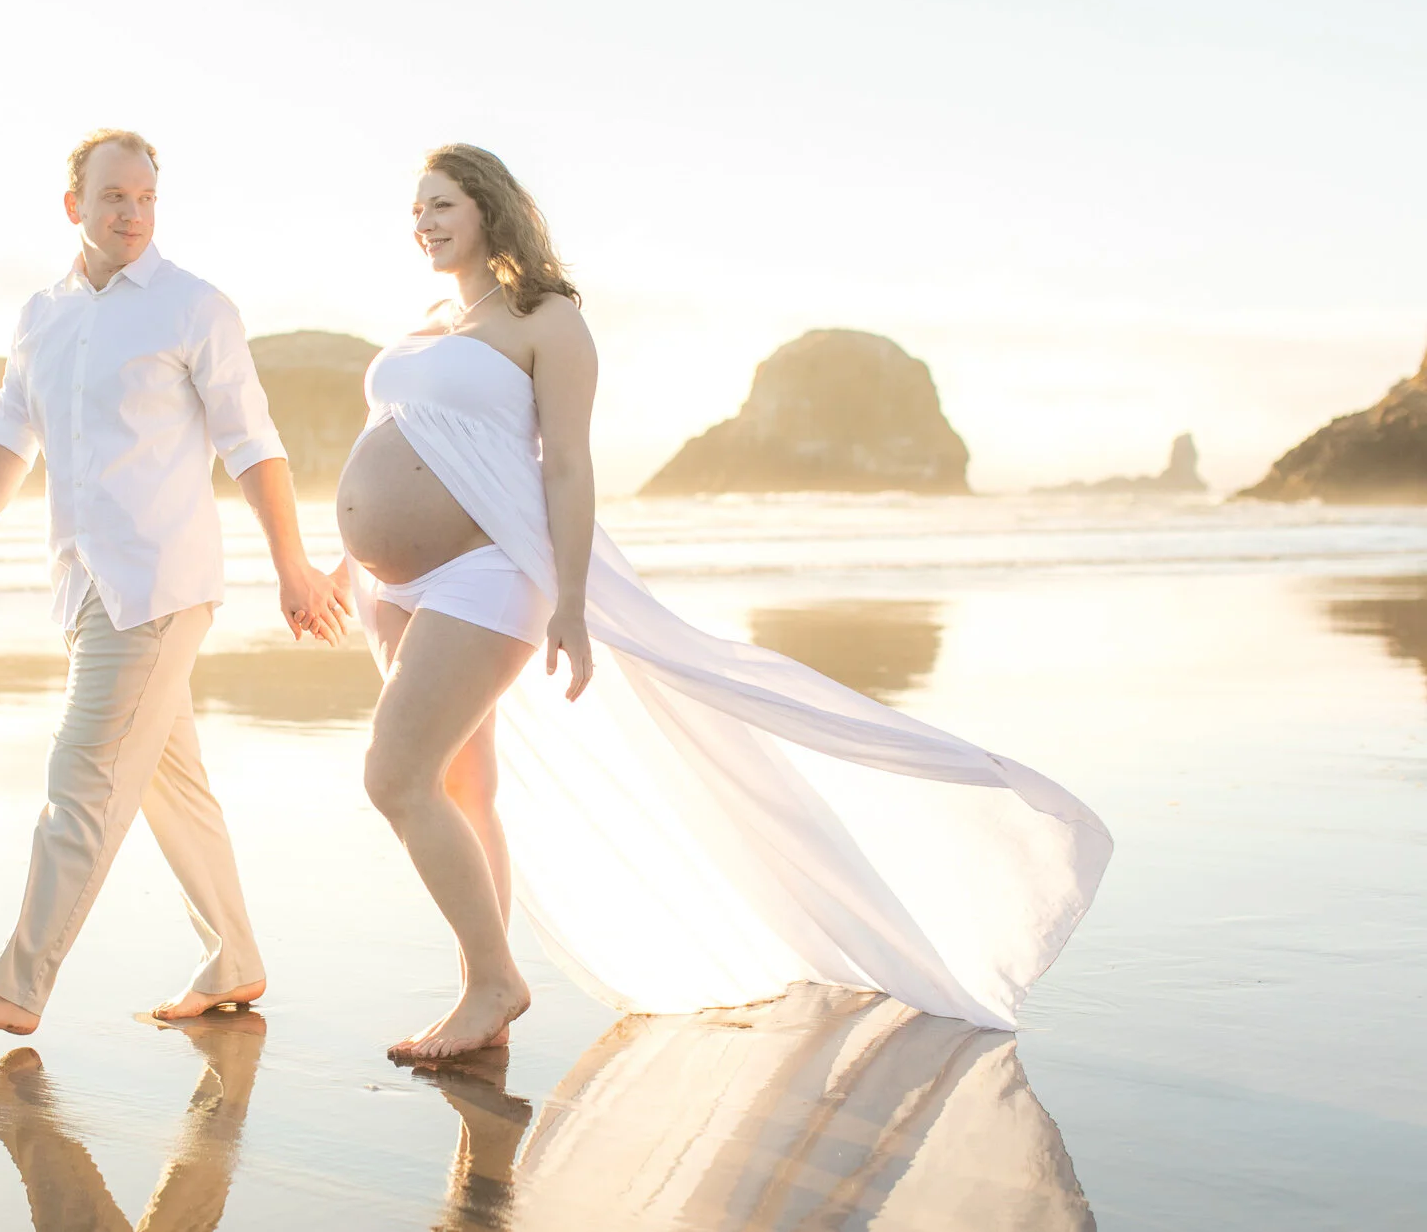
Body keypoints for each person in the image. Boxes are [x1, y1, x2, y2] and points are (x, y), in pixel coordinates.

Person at [335, 143, 1112, 1061]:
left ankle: (493, 979)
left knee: (395, 776)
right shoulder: (426, 325)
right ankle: (486, 985)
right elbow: (395, 437)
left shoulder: (545, 322)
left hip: (486, 570)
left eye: (443, 205)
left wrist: (575, 602)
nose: (424, 223)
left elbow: (573, 468)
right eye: (416, 210)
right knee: (466, 783)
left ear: (490, 209)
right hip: (399, 585)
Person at [0, 129, 350, 1035]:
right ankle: (235, 957)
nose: (133, 214)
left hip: (158, 584)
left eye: (147, 198)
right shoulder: (42, 313)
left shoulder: (195, 308)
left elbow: (253, 444)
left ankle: (18, 982)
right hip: (83, 585)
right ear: (74, 205)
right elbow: (9, 427)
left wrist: (292, 565)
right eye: (115, 197)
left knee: (83, 770)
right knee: (166, 779)